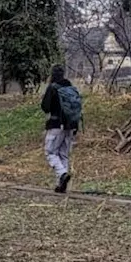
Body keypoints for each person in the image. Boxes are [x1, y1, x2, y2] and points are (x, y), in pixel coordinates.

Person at [41, 64, 82, 193]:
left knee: (50, 152)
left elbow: (45, 107)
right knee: (63, 154)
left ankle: (62, 174)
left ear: (52, 74)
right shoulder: (70, 87)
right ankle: (61, 185)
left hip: (56, 125)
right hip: (71, 126)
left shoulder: (52, 88)